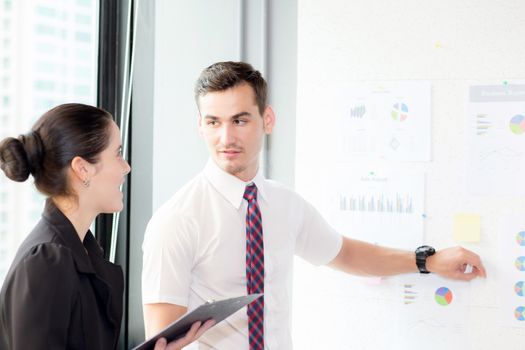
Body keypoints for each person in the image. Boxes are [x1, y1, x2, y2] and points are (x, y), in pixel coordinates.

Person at [141, 62, 487, 349]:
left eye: (240, 120)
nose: (226, 138)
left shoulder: (283, 203)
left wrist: (428, 260)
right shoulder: (177, 220)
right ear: (200, 126)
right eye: (213, 122)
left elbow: (347, 254)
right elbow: (162, 339)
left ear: (268, 120)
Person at [0, 103, 213, 350]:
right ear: (83, 169)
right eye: (118, 153)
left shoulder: (79, 251)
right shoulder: (47, 259)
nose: (126, 167)